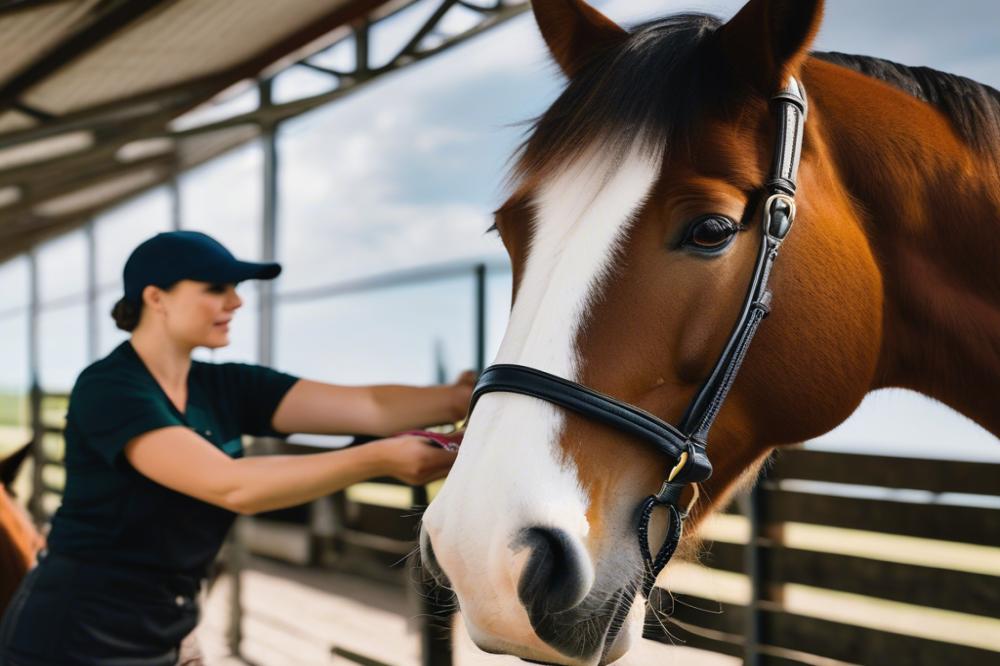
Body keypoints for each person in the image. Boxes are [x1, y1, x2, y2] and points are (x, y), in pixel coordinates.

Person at [0, 231, 469, 666]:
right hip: (74, 635)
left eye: (236, 287)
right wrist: (380, 458)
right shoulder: (110, 388)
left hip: (170, 628)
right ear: (155, 297)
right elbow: (232, 486)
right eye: (215, 288)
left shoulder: (227, 385)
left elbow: (370, 405)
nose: (237, 300)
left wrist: (467, 396)